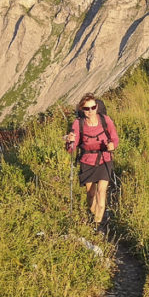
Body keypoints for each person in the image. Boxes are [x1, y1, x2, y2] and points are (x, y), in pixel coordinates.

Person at [65, 92, 118, 228]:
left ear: (97, 107)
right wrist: (70, 142)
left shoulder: (106, 120)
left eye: (93, 107)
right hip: (87, 161)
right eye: (87, 109)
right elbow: (71, 148)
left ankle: (97, 226)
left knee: (101, 193)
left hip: (104, 159)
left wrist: (112, 145)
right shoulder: (78, 124)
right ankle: (94, 215)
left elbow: (114, 138)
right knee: (90, 195)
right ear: (82, 110)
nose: (91, 111)